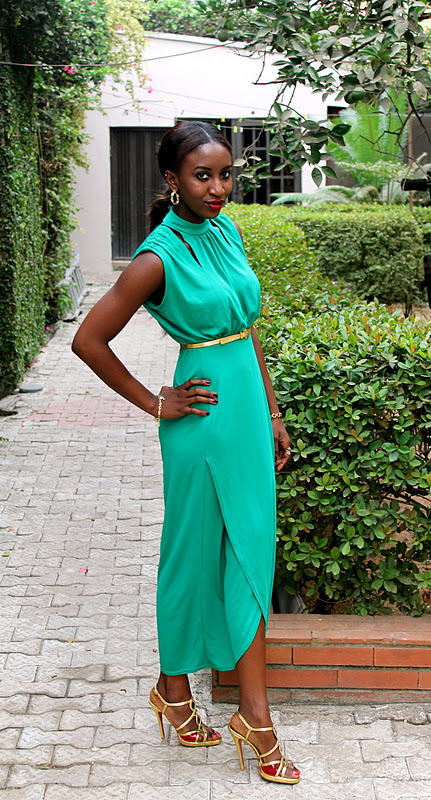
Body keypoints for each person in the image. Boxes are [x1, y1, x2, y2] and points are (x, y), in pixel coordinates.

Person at [71, 120, 300, 785]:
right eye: (203, 176)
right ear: (173, 181)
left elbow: (245, 329)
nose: (218, 188)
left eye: (226, 174)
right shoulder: (156, 257)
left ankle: (179, 692)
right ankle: (250, 715)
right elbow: (88, 341)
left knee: (248, 553)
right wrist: (155, 402)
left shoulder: (226, 231)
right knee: (195, 555)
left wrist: (272, 411)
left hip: (246, 415)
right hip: (200, 424)